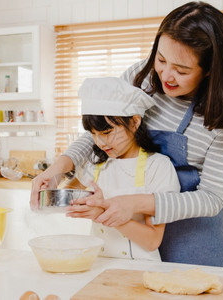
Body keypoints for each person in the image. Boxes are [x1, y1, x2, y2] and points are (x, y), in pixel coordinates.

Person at [31, 1, 223, 267]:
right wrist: (57, 170)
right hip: (130, 227)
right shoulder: (139, 77)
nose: (166, 74)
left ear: (210, 69)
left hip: (191, 235)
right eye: (162, 59)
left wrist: (134, 204)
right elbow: (101, 130)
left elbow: (211, 198)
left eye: (181, 70)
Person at [66, 77, 180, 261]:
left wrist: (102, 215)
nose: (100, 143)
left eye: (107, 132)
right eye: (93, 134)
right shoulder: (95, 164)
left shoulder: (157, 166)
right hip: (98, 266)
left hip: (141, 270)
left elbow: (152, 240)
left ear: (135, 122)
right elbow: (67, 194)